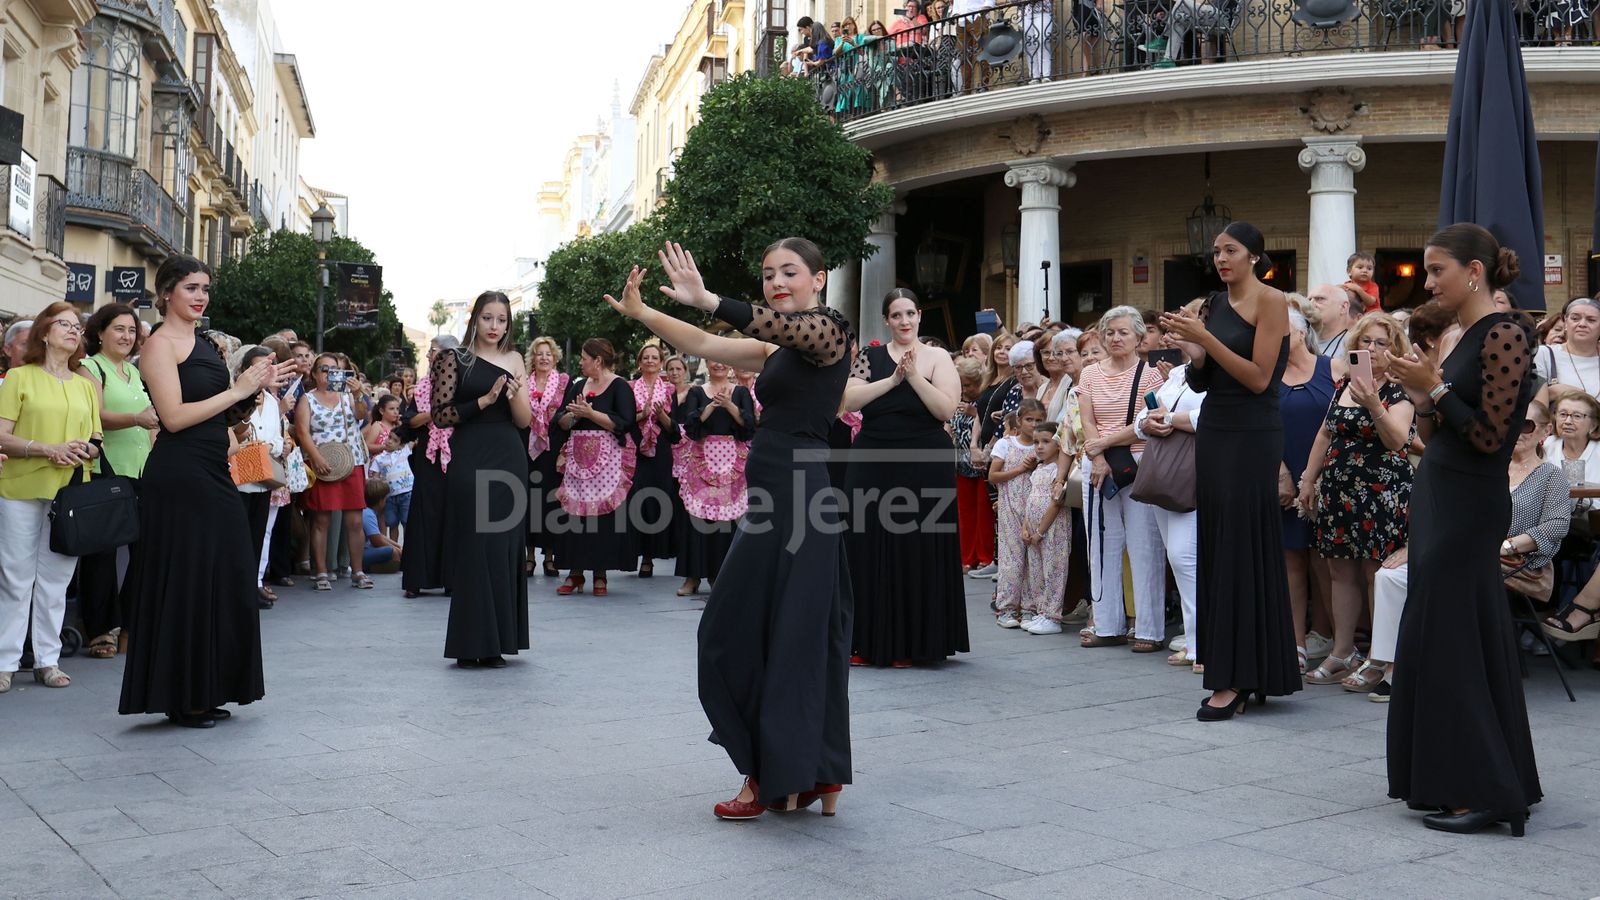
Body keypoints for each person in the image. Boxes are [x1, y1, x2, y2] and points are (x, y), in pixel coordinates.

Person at [604, 238, 853, 819]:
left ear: (818, 279)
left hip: (801, 500)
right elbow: (706, 343)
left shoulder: (829, 332)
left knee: (778, 637)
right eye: (768, 274)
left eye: (789, 272)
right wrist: (645, 313)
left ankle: (774, 775)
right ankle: (807, 770)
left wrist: (709, 296)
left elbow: (770, 325)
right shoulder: (776, 350)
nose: (776, 281)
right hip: (768, 500)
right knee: (749, 632)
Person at [1385, 222, 1540, 836]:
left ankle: (1485, 789)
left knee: (1453, 637)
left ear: (1473, 271)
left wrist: (1437, 386)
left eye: (1436, 269)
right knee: (1445, 634)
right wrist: (1421, 394)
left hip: (1469, 502)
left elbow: (1488, 438)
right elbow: (1437, 434)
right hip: (1440, 492)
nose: (1428, 281)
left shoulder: (1505, 331)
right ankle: (1455, 777)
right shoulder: (1463, 334)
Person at [119, 256, 288, 727]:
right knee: (190, 581)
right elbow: (173, 418)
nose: (200, 296)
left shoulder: (203, 345)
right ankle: (184, 695)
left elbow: (218, 415)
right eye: (191, 287)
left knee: (226, 575)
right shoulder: (158, 346)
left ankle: (211, 686)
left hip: (214, 469)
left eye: (205, 288)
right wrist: (237, 391)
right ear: (167, 292)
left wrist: (255, 394)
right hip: (179, 476)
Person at [1160, 221, 1300, 720]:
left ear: (1255, 256)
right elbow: (1204, 380)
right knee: (1220, 545)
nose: (1221, 258)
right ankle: (1238, 670)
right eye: (1216, 251)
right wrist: (1193, 351)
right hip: (1216, 428)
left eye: (1231, 250)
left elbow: (1261, 379)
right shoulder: (1214, 305)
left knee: (1245, 546)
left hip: (1253, 432)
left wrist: (1206, 339)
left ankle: (1241, 678)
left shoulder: (1272, 301)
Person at [1374, 401, 1569, 701]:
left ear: (1545, 431)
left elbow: (1555, 525)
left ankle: (1443, 670)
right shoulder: (1488, 466)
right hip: (1465, 549)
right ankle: (1391, 668)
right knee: (1389, 577)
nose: (1519, 431)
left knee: (1444, 577)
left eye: (1528, 425)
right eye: (1514, 422)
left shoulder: (1551, 475)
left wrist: (1508, 544)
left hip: (1518, 562)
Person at [843, 288, 966, 667]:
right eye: (896, 315)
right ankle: (864, 640)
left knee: (918, 541)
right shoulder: (870, 357)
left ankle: (916, 643)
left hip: (924, 458)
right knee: (865, 541)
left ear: (919, 316)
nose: (904, 321)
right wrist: (893, 380)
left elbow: (946, 408)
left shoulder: (937, 356)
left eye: (910, 313)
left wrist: (913, 376)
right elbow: (848, 401)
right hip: (873, 456)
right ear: (886, 320)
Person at [1296, 313, 1415, 685]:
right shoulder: (1345, 383)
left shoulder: (1400, 388)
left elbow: (1397, 440)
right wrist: (1308, 478)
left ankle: (1381, 656)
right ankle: (1342, 650)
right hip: (1339, 489)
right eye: (1366, 342)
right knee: (1338, 570)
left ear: (1395, 350)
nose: (1372, 349)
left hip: (1382, 491)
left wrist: (1372, 402)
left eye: (1381, 343)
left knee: (1373, 573)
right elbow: (1324, 434)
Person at [0, 305, 103, 693]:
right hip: (20, 487)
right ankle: (5, 662)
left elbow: (97, 441)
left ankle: (48, 659)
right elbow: (2, 434)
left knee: (56, 580)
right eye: (65, 324)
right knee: (15, 577)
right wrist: (48, 449)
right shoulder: (18, 377)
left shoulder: (83, 384)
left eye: (78, 327)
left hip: (70, 492)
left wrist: (83, 450)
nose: (74, 331)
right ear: (44, 332)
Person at [432, 291, 532, 668]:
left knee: (504, 546)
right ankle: (471, 640)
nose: (495, 327)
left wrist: (515, 395)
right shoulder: (453, 358)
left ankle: (498, 641)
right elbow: (440, 415)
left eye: (502, 320)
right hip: (471, 455)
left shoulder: (514, 359)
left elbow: (524, 421)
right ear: (475, 319)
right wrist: (484, 402)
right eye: (488, 318)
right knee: (476, 543)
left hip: (509, 456)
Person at [1078, 306, 1166, 652]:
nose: (1116, 338)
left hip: (1139, 461)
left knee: (1145, 545)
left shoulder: (1150, 376)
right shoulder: (1089, 375)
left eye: (1124, 332)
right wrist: (1097, 456)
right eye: (1110, 332)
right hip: (1096, 462)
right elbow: (1087, 419)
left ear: (1139, 338)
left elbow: (1150, 420)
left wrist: (1104, 443)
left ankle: (1148, 630)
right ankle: (1107, 624)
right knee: (1101, 544)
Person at [75, 303, 157, 659]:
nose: (127, 336)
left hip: (141, 469)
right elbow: (95, 416)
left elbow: (151, 422)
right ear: (100, 333)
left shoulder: (134, 372)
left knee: (145, 552)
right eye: (119, 329)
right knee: (102, 554)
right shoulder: (90, 367)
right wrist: (136, 418)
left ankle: (129, 625)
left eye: (131, 330)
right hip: (108, 469)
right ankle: (98, 630)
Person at [1134, 315, 1206, 665]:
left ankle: (1203, 644)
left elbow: (1211, 418)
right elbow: (1141, 420)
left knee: (1185, 557)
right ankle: (1195, 641)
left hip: (1196, 470)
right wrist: (1148, 422)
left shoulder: (1219, 375)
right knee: (1179, 559)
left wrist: (1168, 420)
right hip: (1166, 471)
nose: (1174, 337)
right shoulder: (1178, 373)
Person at [549, 338, 637, 596]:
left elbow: (625, 422)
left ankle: (600, 573)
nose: (580, 362)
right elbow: (560, 421)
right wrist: (574, 415)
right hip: (578, 459)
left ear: (597, 360)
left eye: (584, 358)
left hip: (607, 459)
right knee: (575, 514)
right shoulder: (577, 385)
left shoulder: (620, 386)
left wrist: (591, 414)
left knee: (603, 515)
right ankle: (575, 573)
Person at [1278, 303, 1336, 674]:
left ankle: (1333, 639)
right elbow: (1259, 426)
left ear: (1301, 332)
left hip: (1330, 477)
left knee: (1329, 563)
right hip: (1284, 474)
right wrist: (1279, 471)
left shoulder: (1333, 368)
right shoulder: (1265, 376)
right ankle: (1295, 642)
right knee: (1292, 559)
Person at [674, 358, 755, 597]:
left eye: (723, 361)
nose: (718, 365)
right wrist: (710, 406)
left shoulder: (740, 392)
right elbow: (690, 425)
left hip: (733, 461)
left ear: (730, 365)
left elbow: (749, 425)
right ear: (707, 364)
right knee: (696, 518)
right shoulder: (697, 392)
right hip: (702, 460)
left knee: (728, 521)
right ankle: (692, 577)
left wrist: (729, 405)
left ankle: (722, 575)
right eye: (713, 361)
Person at [295, 352, 372, 592]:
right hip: (323, 463)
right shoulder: (307, 399)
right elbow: (302, 432)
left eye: (335, 369)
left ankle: (357, 571)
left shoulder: (348, 396)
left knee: (355, 520)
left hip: (351, 461)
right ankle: (321, 571)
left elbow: (362, 416)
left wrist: (359, 393)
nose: (330, 374)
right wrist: (315, 457)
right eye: (325, 369)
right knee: (321, 520)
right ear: (315, 374)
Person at [401, 336, 458, 598]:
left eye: (433, 351)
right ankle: (416, 579)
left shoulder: (462, 384)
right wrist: (436, 413)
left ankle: (451, 579)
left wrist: (437, 414)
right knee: (422, 513)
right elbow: (410, 421)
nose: (429, 356)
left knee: (452, 515)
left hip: (455, 454)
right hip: (426, 456)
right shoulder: (423, 387)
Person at [231, 345, 287, 610]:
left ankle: (253, 584)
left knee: (259, 534)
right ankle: (236, 589)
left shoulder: (273, 402)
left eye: (268, 365)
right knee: (237, 538)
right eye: (258, 366)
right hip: (238, 478)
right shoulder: (235, 397)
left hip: (263, 477)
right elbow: (234, 430)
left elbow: (276, 436)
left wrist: (270, 447)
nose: (265, 370)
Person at [629, 341, 679, 577]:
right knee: (636, 500)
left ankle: (649, 557)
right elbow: (624, 421)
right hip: (635, 451)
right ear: (639, 363)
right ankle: (634, 551)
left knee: (658, 502)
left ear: (661, 364)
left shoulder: (670, 391)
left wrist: (660, 415)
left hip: (661, 451)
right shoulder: (628, 388)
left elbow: (676, 430)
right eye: (645, 357)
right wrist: (643, 414)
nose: (650, 361)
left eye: (654, 358)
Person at [990, 404, 1042, 628]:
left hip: (1035, 509)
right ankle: (1007, 608)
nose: (1034, 425)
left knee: (1034, 559)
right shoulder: (1005, 444)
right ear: (1019, 420)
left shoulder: (1043, 447)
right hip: (1010, 507)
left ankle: (1030, 608)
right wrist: (1021, 469)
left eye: (1039, 421)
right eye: (1030, 419)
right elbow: (994, 475)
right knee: (1012, 559)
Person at [1021, 421, 1071, 631]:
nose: (1039, 446)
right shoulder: (1038, 469)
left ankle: (1053, 615)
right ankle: (1041, 611)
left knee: (1053, 570)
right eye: (1036, 442)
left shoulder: (1058, 472)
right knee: (1037, 572)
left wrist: (1041, 531)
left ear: (1058, 445)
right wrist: (1026, 527)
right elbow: (1030, 500)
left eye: (1045, 442)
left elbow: (1056, 504)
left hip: (1052, 530)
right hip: (1034, 531)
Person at [526, 336, 569, 576]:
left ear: (555, 358)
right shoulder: (525, 382)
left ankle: (550, 557)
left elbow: (569, 417)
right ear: (533, 357)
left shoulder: (564, 382)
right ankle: (529, 556)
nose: (543, 358)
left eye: (548, 354)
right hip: (528, 450)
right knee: (529, 502)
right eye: (539, 353)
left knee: (552, 503)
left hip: (555, 450)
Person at [951, 357, 995, 577]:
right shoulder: (957, 399)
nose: (966, 389)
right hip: (961, 462)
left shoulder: (985, 400)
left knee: (983, 512)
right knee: (965, 513)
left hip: (981, 461)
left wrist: (973, 412)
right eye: (962, 384)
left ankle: (985, 557)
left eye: (969, 384)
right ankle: (966, 557)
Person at [1533, 297, 1600, 397]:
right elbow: (1532, 402)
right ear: (1565, 322)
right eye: (1575, 319)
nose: (1582, 324)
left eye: (1591, 320)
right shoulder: (1544, 354)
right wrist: (1552, 392)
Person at [368, 431, 413, 545]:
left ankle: (409, 551)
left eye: (395, 440)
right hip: (389, 497)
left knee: (407, 522)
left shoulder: (405, 451)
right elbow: (375, 478)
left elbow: (414, 437)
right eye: (389, 437)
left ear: (401, 444)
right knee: (392, 524)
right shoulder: (379, 459)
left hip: (406, 494)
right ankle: (395, 550)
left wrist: (404, 426)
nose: (389, 441)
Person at [360, 478, 403, 572]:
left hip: (366, 549)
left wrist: (397, 546)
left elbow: (379, 535)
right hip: (362, 553)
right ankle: (371, 568)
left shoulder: (370, 512)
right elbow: (377, 540)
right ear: (380, 501)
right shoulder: (368, 514)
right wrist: (395, 550)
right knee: (392, 552)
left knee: (396, 550)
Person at [1307, 282, 1360, 358]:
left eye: (1320, 299)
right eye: (1309, 300)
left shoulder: (1357, 346)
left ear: (1343, 307)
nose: (1311, 304)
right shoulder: (1299, 342)